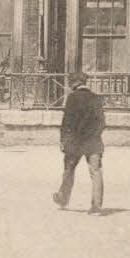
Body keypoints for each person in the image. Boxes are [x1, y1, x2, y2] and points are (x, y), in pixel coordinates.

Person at [52, 72, 105, 215]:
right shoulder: (96, 98)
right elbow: (101, 122)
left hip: (74, 141)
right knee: (96, 172)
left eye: (70, 82)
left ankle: (63, 198)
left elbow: (67, 122)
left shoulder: (72, 98)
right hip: (93, 141)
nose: (69, 85)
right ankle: (96, 206)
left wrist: (63, 140)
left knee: (69, 170)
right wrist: (93, 135)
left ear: (75, 83)